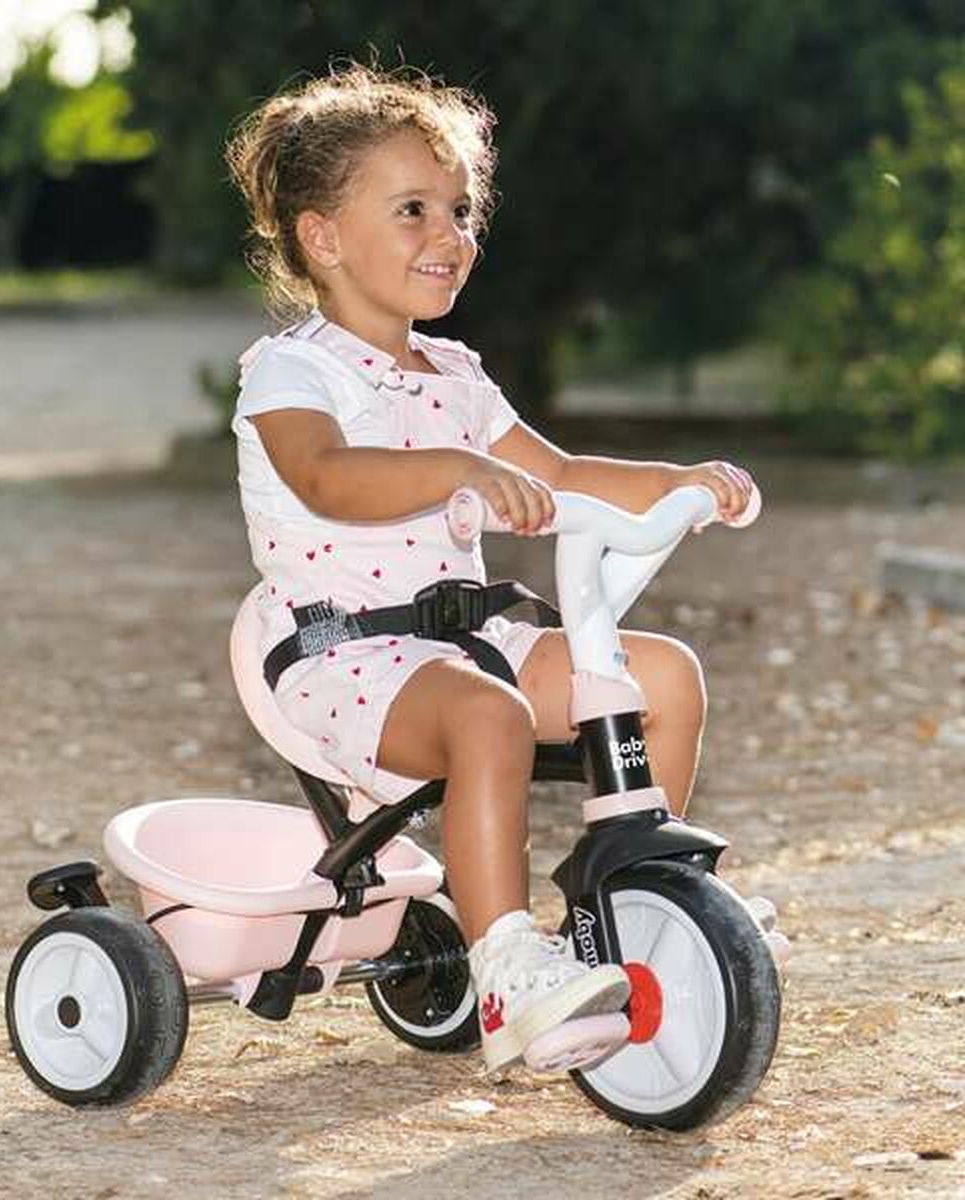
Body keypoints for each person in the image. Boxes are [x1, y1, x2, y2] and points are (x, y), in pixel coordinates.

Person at [224, 64, 755, 1073]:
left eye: (461, 209)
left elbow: (561, 474)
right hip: (347, 659)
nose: (451, 233)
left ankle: (644, 905)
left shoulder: (457, 376)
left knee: (663, 676)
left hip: (475, 642)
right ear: (323, 238)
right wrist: (456, 469)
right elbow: (326, 478)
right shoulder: (295, 372)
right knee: (490, 715)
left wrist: (678, 481)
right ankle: (507, 966)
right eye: (414, 210)